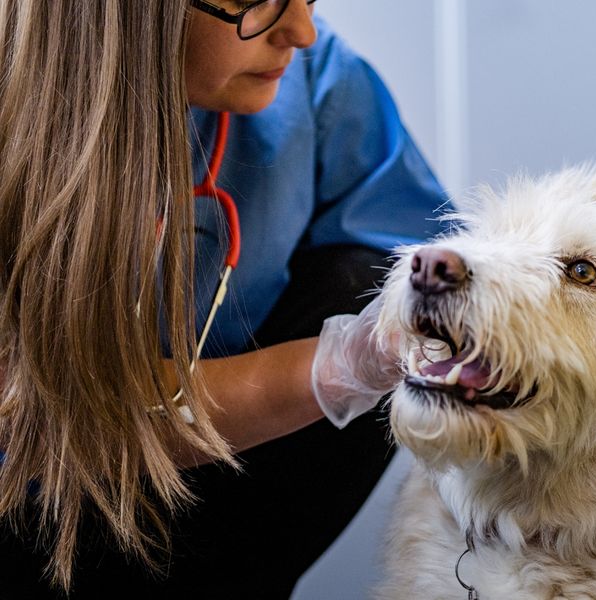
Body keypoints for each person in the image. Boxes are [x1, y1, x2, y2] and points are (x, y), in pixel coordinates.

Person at [0, 1, 447, 597]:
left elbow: (439, 269)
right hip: (33, 510)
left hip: (225, 519)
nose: (302, 31)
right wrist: (336, 367)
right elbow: (51, 419)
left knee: (383, 285)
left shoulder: (316, 78)